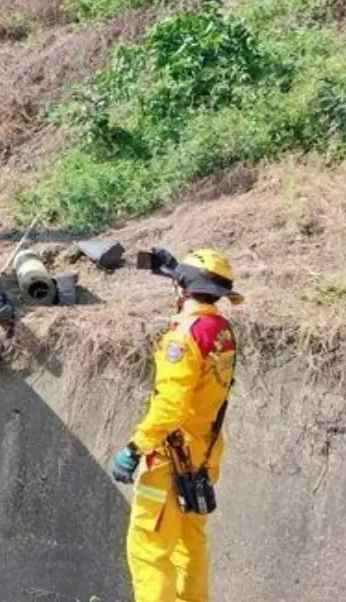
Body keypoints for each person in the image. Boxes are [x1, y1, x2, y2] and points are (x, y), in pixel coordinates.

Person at [109, 249, 242, 602]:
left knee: (149, 548)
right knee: (190, 542)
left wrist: (135, 447)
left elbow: (171, 405)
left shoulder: (182, 338)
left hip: (169, 458)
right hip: (204, 453)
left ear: (183, 288)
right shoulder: (221, 331)